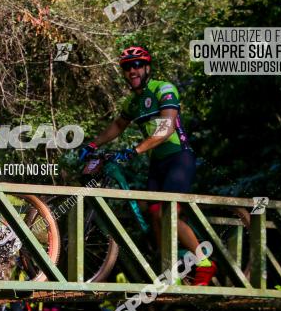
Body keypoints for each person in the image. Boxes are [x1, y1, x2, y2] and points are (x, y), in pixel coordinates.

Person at [80, 46, 215, 285]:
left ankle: (204, 261)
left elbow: (166, 128)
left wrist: (135, 150)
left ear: (147, 68)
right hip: (158, 163)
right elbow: (118, 125)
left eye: (137, 65)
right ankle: (171, 269)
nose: (132, 70)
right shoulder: (134, 101)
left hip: (179, 158)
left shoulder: (163, 88)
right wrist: (93, 144)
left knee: (166, 212)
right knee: (153, 215)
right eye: (127, 67)